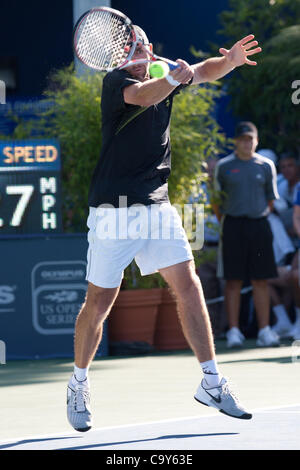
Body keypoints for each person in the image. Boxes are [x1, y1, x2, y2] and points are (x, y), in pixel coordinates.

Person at [67, 26, 262, 432]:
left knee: (188, 284)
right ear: (125, 52)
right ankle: (79, 383)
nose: (150, 46)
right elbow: (146, 96)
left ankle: (211, 381)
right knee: (99, 304)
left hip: (157, 204)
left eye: (150, 41)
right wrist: (175, 77)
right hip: (113, 210)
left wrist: (227, 63)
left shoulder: (162, 68)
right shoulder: (117, 81)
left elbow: (202, 71)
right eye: (141, 43)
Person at [213, 121, 280, 349]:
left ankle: (264, 330)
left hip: (259, 226)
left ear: (257, 140)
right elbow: (217, 202)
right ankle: (233, 331)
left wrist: (256, 216)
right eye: (243, 139)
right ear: (236, 142)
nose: (247, 143)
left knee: (261, 279)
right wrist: (229, 220)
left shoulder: (266, 165)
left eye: (250, 138)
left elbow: (271, 199)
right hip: (233, 225)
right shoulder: (223, 166)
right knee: (233, 280)